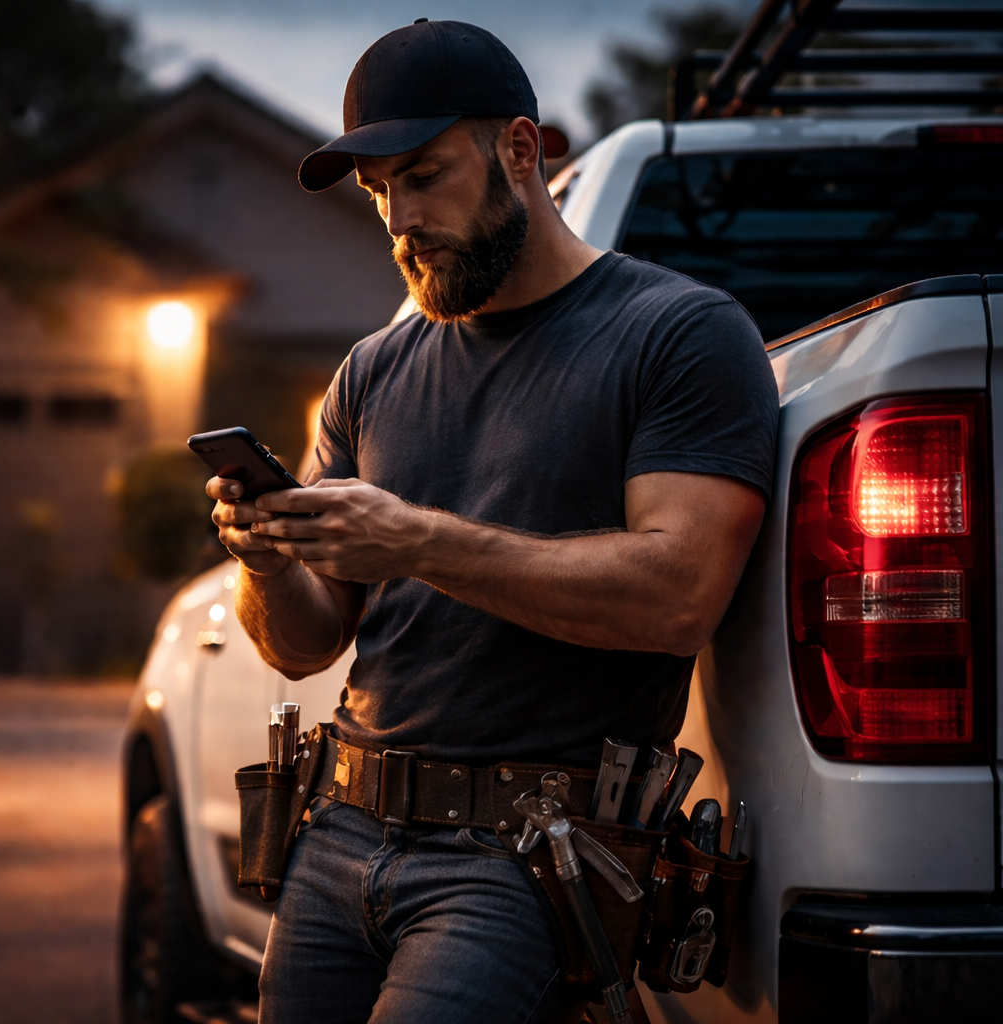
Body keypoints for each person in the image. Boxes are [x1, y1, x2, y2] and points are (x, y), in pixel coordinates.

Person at [205, 18, 779, 1024]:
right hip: (336, 832)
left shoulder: (680, 335)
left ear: (519, 150)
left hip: (526, 855)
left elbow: (678, 597)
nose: (400, 219)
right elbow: (303, 645)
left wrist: (417, 541)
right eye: (378, 191)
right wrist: (265, 557)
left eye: (424, 176)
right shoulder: (371, 371)